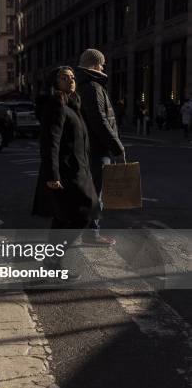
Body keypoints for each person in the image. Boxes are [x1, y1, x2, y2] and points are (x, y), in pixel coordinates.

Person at [32, 66, 98, 277]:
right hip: (68, 173)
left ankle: (51, 261)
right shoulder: (57, 104)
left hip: (79, 169)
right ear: (55, 82)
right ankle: (53, 258)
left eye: (72, 77)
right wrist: (53, 175)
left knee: (62, 217)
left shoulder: (73, 104)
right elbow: (50, 141)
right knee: (87, 210)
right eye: (64, 77)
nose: (70, 80)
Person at [74, 49, 124, 246]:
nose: (103, 67)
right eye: (101, 64)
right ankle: (91, 235)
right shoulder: (93, 87)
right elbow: (99, 120)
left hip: (90, 148)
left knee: (90, 192)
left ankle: (87, 232)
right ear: (94, 65)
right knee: (96, 194)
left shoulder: (84, 85)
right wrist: (117, 147)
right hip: (97, 149)